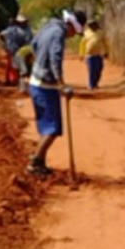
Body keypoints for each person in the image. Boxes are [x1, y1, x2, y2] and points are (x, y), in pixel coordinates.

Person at [27, 9, 87, 176]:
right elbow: (55, 58)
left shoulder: (49, 27)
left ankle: (40, 163)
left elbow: (34, 45)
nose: (73, 36)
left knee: (46, 126)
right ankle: (35, 163)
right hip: (46, 86)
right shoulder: (58, 33)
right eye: (75, 32)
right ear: (72, 26)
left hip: (36, 82)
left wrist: (38, 63)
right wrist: (62, 85)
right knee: (52, 128)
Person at [1, 14, 33, 86]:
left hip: (23, 50)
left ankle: (18, 81)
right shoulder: (12, 29)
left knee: (21, 66)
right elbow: (2, 34)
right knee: (12, 65)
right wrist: (6, 43)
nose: (22, 23)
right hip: (12, 49)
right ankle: (10, 81)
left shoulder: (28, 30)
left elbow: (29, 40)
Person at [79, 20, 110, 90]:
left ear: (96, 25)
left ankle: (96, 83)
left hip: (99, 54)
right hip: (90, 55)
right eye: (90, 25)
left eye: (93, 24)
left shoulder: (100, 32)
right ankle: (91, 84)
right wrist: (81, 54)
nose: (92, 26)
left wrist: (106, 51)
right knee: (92, 70)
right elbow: (82, 44)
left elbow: (105, 42)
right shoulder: (87, 33)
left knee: (99, 69)